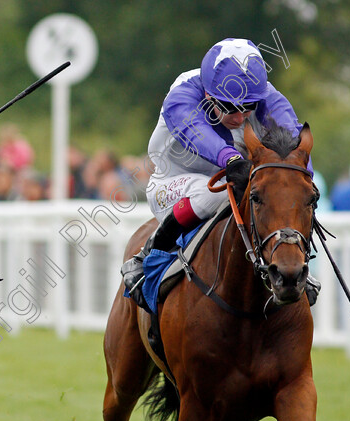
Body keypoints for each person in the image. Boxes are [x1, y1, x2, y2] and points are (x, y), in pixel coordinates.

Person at [121, 38, 320, 309]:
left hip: (233, 184)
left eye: (247, 107)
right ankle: (147, 255)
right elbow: (197, 132)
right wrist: (230, 158)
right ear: (208, 95)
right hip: (171, 186)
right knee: (211, 193)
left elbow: (294, 140)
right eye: (228, 107)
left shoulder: (263, 95)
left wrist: (303, 174)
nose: (239, 117)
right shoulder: (182, 94)